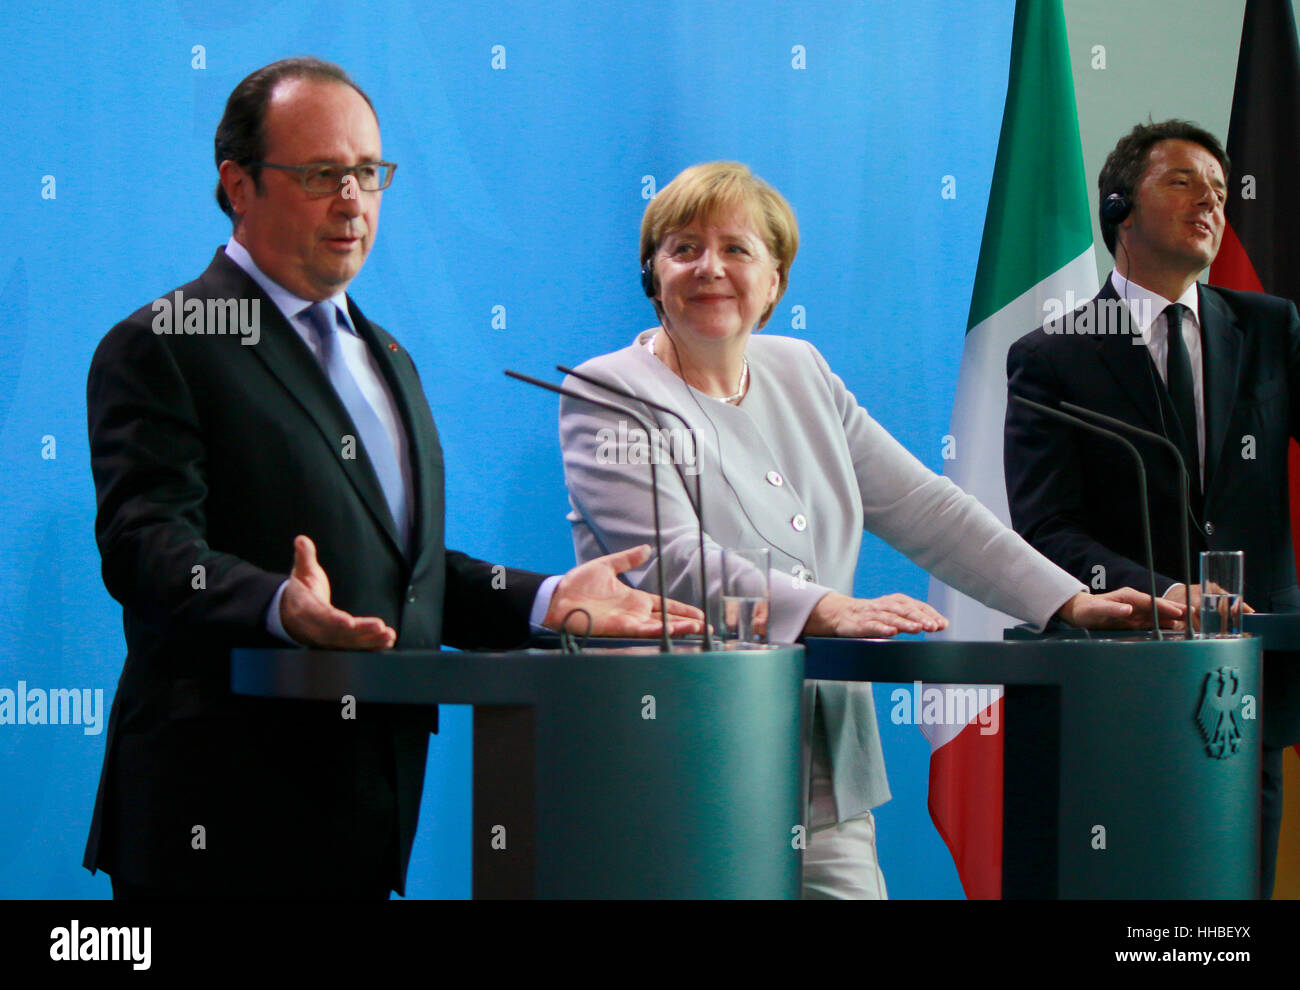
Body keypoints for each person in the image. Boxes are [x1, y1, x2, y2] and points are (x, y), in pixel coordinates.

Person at [82, 57, 701, 900]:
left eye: (369, 173)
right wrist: (277, 606)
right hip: (220, 819)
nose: (352, 200)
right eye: (320, 174)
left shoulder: (391, 358)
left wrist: (547, 601)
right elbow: (144, 546)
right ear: (238, 184)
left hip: (367, 811)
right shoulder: (167, 340)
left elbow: (402, 574)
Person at [558, 161, 1176, 899]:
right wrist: (822, 608)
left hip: (826, 771)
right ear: (652, 276)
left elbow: (924, 506)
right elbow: (668, 562)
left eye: (736, 249)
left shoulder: (802, 371)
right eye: (683, 248)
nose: (709, 268)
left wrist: (1066, 600)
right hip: (681, 762)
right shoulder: (609, 391)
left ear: (776, 281)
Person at [1005, 119, 1300, 898]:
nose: (1210, 201)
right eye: (1183, 182)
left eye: (1220, 191)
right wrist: (1159, 593)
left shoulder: (1271, 330)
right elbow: (1046, 529)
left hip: (1246, 677)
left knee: (1232, 909)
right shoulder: (1052, 356)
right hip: (1119, 677)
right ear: (1118, 209)